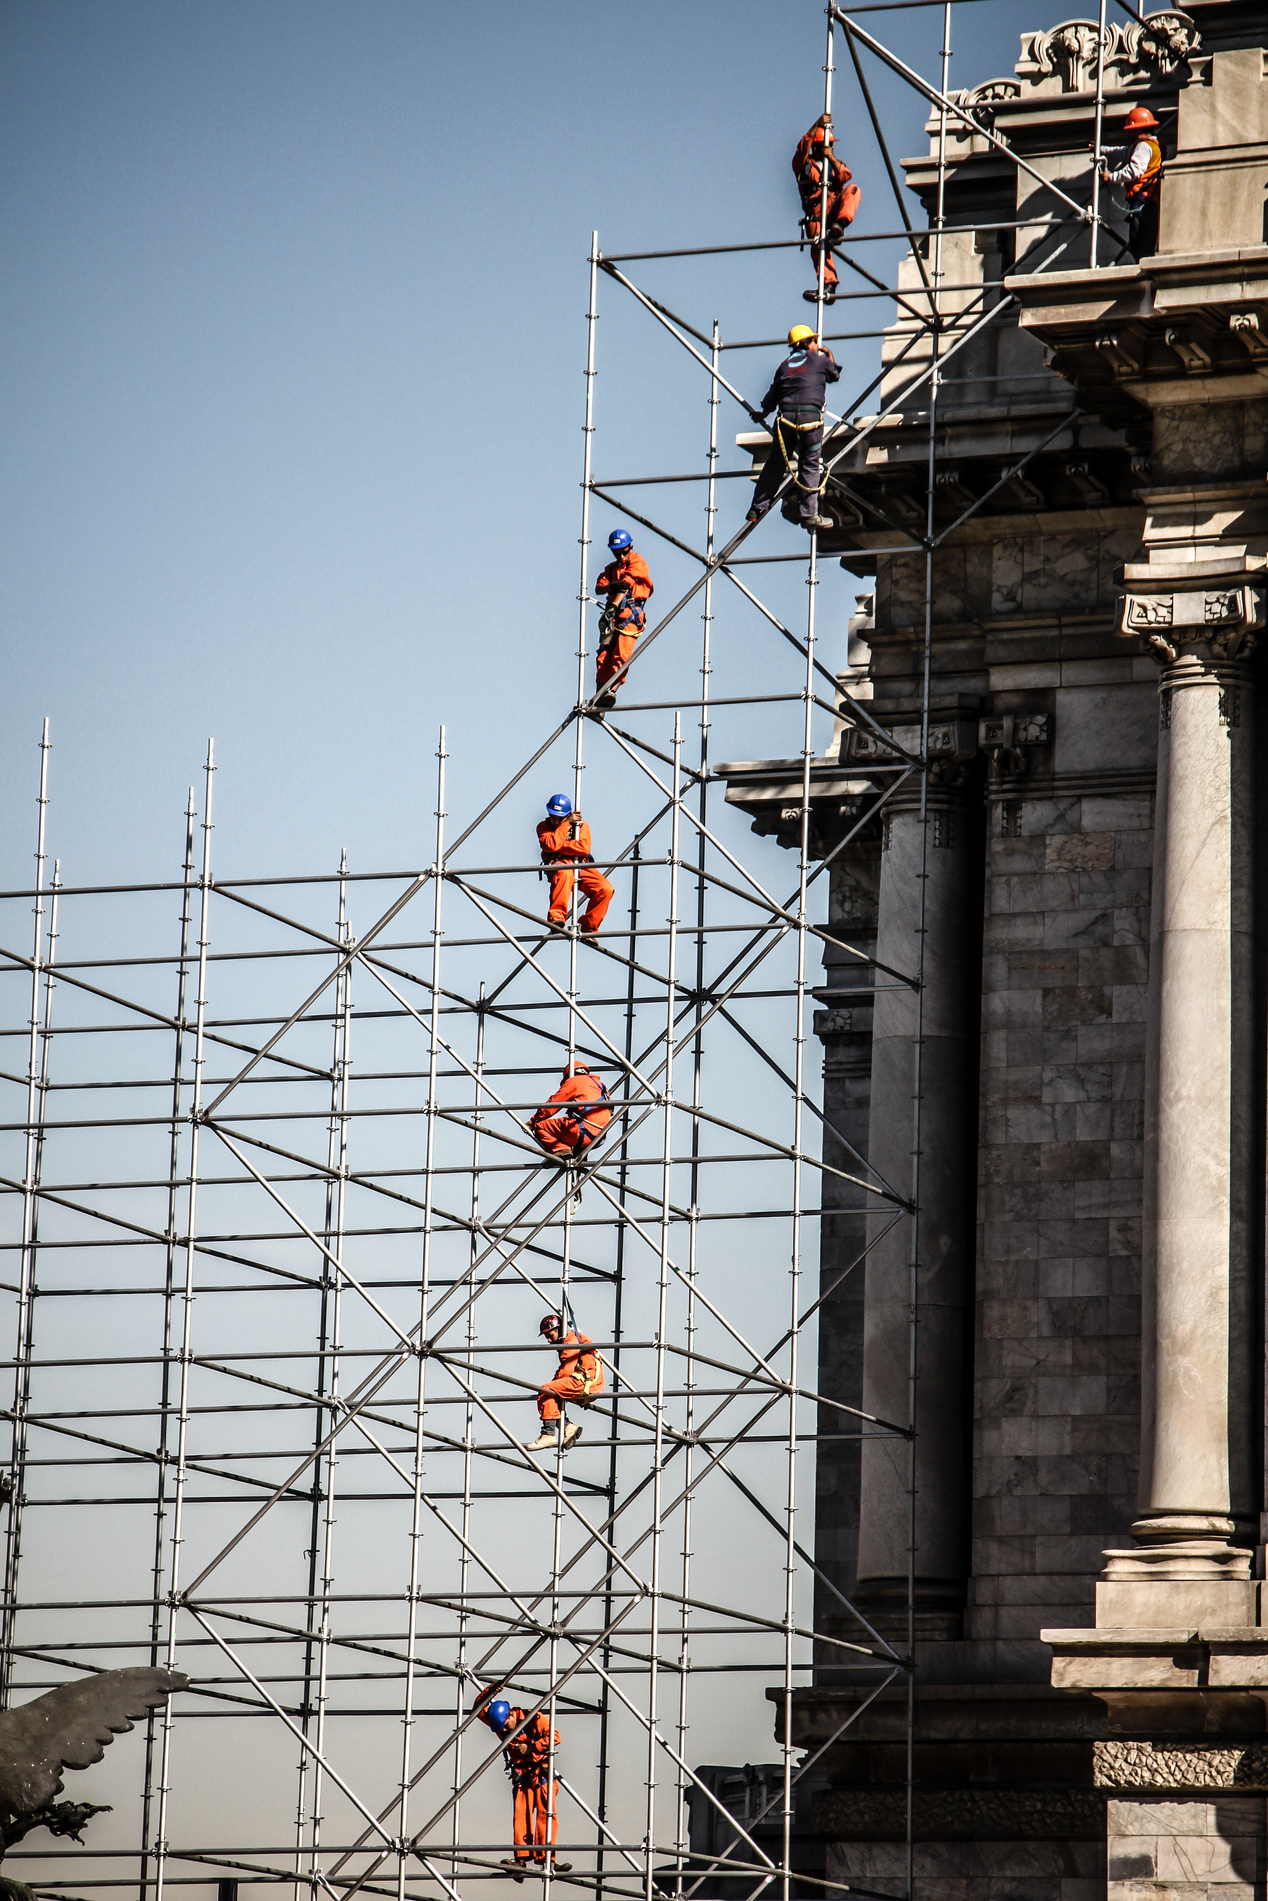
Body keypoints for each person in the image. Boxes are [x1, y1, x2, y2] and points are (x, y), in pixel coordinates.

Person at [746, 327, 840, 532]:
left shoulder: (784, 365)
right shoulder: (820, 360)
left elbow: (773, 394)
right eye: (814, 342)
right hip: (810, 421)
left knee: (775, 464)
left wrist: (763, 414)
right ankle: (808, 514)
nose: (817, 344)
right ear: (807, 343)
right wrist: (826, 352)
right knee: (809, 464)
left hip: (785, 420)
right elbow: (834, 375)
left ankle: (757, 508)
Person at [474, 1686, 570, 1879]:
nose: (503, 1733)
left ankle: (547, 1858)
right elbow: (478, 1709)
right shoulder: (499, 1722)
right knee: (521, 1815)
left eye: (505, 1728)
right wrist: (490, 1690)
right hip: (522, 1776)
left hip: (541, 1773)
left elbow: (555, 1737)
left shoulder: (535, 1719)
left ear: (511, 1716)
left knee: (546, 1813)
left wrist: (531, 1747)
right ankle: (521, 1860)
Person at [792, 115, 861, 305]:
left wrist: (831, 157)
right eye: (827, 145)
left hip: (833, 211)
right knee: (819, 248)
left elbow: (846, 176)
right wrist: (816, 125)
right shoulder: (805, 166)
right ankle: (828, 285)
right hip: (816, 215)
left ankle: (840, 225)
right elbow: (801, 149)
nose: (830, 148)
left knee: (854, 190)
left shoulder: (834, 166)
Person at [526, 1311, 605, 1453]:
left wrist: (553, 1384)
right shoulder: (576, 1339)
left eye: (550, 1336)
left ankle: (548, 1434)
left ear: (559, 1330)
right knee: (552, 1395)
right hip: (590, 1383)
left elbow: (567, 1371)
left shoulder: (570, 1342)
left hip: (583, 1383)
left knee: (546, 1391)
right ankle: (568, 1427)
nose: (549, 1341)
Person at [537, 794, 614, 940]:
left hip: (581, 864)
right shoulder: (543, 827)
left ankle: (588, 927)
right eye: (553, 816)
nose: (555, 820)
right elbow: (550, 844)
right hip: (560, 864)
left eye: (560, 818)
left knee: (605, 888)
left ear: (567, 815)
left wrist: (560, 846)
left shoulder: (581, 826)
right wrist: (565, 826)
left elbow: (583, 848)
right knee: (564, 875)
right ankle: (556, 918)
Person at [593, 529, 654, 710]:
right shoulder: (612, 569)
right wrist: (611, 586)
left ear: (630, 547)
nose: (620, 556)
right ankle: (598, 699)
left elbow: (626, 585)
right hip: (612, 619)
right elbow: (599, 587)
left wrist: (613, 605)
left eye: (623, 552)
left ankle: (612, 691)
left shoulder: (637, 562)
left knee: (622, 655)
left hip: (629, 616)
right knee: (603, 656)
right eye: (616, 553)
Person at [1099, 104, 1163, 261]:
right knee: (1140, 239)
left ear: (1138, 130)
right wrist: (1100, 149)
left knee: (1140, 240)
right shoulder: (1148, 146)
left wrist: (1111, 177)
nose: (1127, 134)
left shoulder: (1143, 147)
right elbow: (1122, 152)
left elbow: (1134, 171)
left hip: (1144, 201)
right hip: (1146, 201)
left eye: (1130, 130)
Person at [529, 1063, 612, 1160]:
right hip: (599, 1138)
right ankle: (579, 1155)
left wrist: (533, 1120)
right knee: (579, 1119)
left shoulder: (575, 1081)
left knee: (540, 1126)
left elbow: (553, 1104)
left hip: (580, 1132)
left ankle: (561, 1150)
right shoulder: (601, 1087)